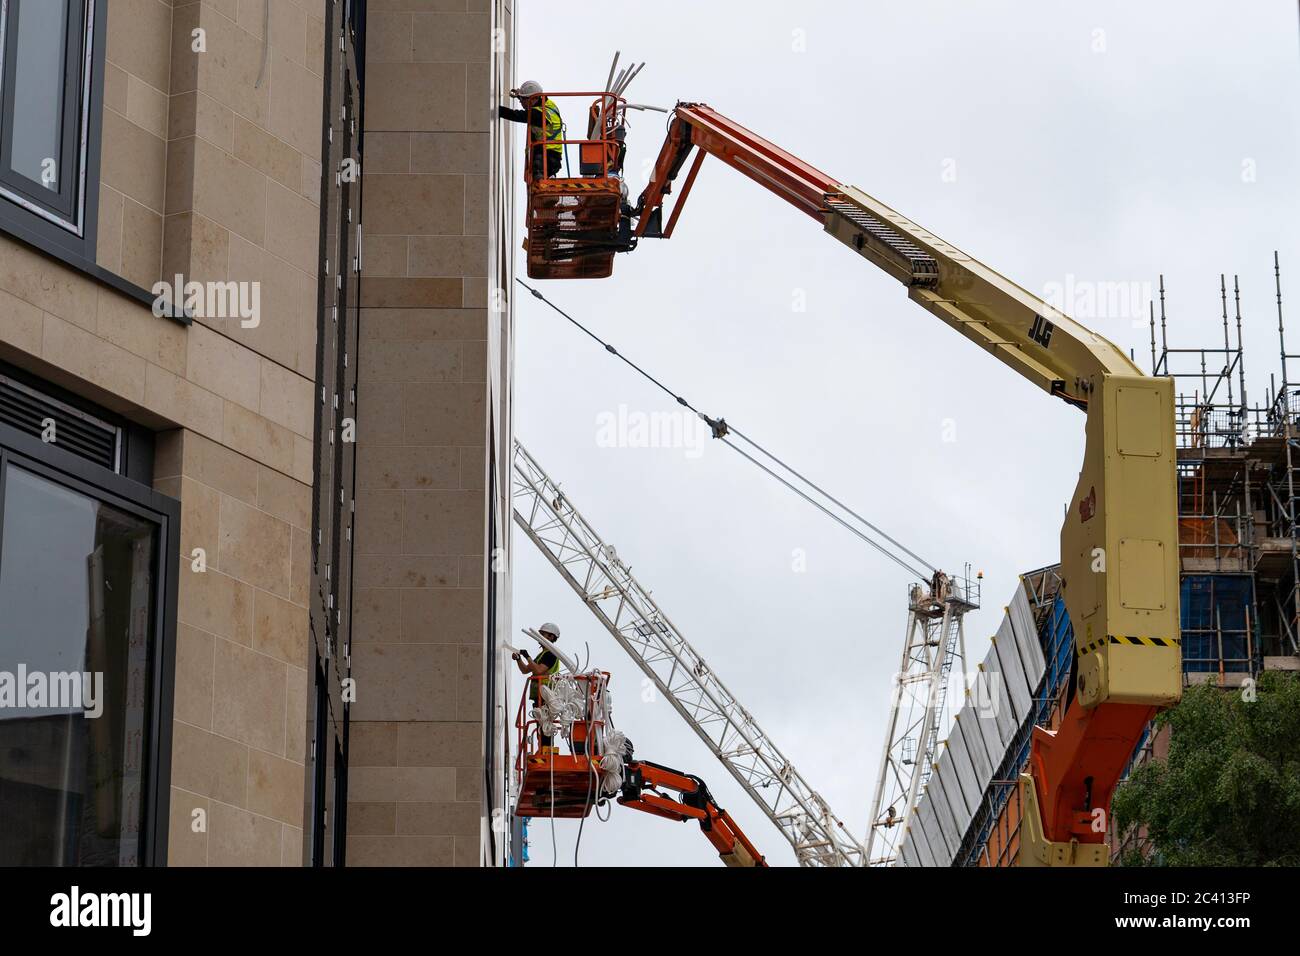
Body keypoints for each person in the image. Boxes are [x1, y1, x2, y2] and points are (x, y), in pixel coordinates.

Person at [497, 80, 563, 181]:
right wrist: (520, 95)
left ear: (532, 99)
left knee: (537, 173)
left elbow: (517, 115)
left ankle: (546, 179)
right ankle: (547, 178)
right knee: (537, 163)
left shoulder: (539, 115)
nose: (520, 102)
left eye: (522, 99)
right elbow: (531, 102)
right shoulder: (546, 104)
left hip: (548, 157)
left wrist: (496, 109)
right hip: (549, 155)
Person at [514, 622, 562, 753]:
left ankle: (547, 750)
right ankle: (543, 749)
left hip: (546, 695)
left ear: (551, 637)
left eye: (543, 634)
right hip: (539, 695)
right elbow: (525, 670)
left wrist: (527, 656)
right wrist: (519, 659)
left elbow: (539, 670)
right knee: (541, 724)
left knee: (545, 723)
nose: (539, 637)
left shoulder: (551, 654)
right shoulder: (542, 655)